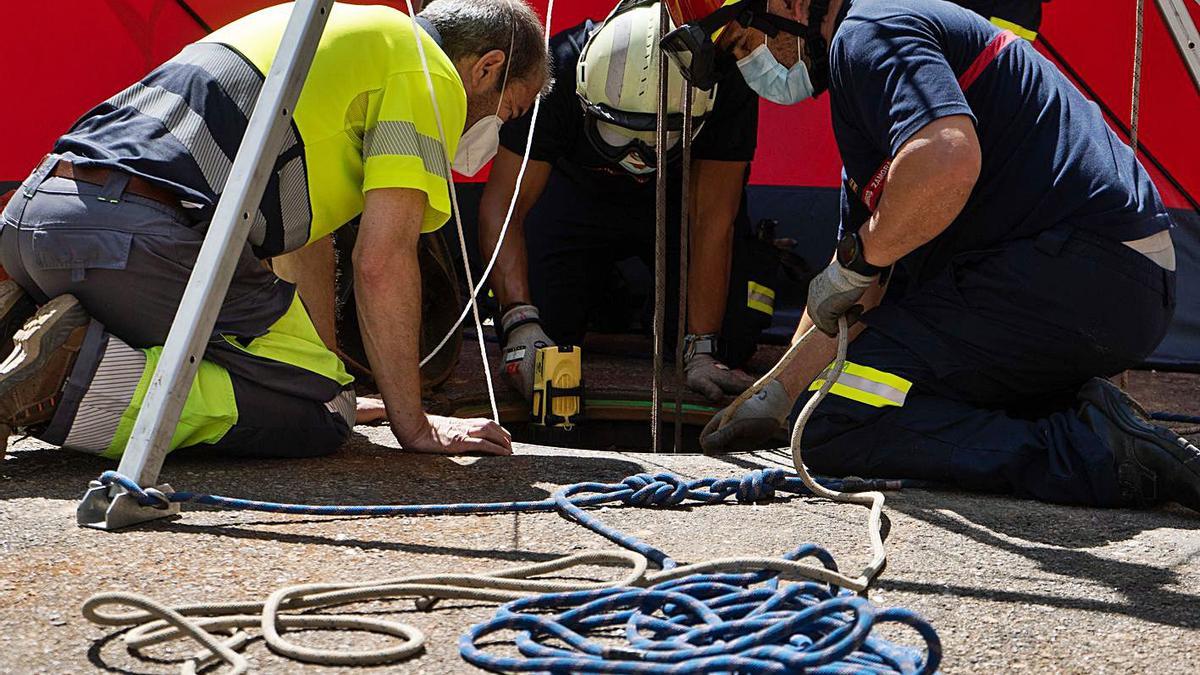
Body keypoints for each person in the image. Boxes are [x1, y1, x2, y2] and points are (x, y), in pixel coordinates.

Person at [672, 0, 1200, 512]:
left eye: (745, 44)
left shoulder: (868, 33)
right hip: (1104, 282)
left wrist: (858, 263)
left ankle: (1100, 456)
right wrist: (779, 395)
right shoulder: (871, 74)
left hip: (1078, 274)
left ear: (787, 5)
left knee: (834, 421)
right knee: (834, 399)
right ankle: (1089, 421)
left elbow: (946, 160)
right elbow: (860, 293)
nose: (752, 67)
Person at [0, 0, 549, 460]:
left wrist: (331, 376)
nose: (495, 130)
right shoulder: (428, 76)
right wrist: (415, 426)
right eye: (509, 109)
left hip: (37, 215)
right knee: (320, 416)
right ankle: (65, 378)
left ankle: (26, 323)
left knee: (328, 392)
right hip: (135, 236)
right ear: (486, 68)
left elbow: (303, 245)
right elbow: (383, 262)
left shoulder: (340, 31)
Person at [478, 0, 794, 402]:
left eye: (654, 142)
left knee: (730, 342)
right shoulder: (556, 70)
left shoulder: (724, 83)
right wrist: (519, 322)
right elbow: (503, 207)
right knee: (545, 339)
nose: (637, 158)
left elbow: (712, 221)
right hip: (576, 197)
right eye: (618, 136)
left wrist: (701, 347)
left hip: (680, 203)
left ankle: (661, 316)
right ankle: (602, 291)